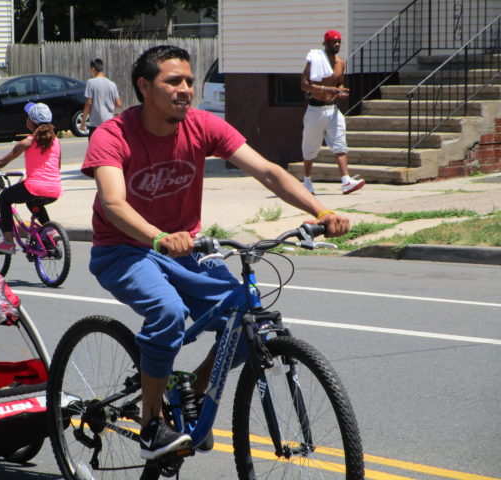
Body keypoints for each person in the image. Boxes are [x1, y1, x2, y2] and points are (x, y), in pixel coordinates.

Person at [81, 45, 350, 460]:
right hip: (125, 250)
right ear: (144, 87)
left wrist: (322, 209)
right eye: (173, 81)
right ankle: (153, 424)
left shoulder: (203, 125)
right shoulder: (113, 134)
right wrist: (157, 237)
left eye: (189, 81)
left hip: (185, 251)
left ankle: (194, 392)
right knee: (168, 313)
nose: (185, 89)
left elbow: (267, 170)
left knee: (246, 321)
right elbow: (114, 203)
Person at [0, 102, 62, 254]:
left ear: (31, 122)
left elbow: (2, 162)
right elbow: (57, 167)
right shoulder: (56, 142)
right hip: (55, 189)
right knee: (33, 203)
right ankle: (50, 232)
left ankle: (8, 242)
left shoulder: (27, 142)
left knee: (5, 197)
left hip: (35, 186)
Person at [300, 30, 365, 195]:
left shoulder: (340, 63)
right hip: (315, 110)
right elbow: (304, 85)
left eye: (338, 42)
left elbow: (340, 83)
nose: (336, 45)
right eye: (333, 42)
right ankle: (307, 181)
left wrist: (341, 91)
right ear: (325, 43)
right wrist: (325, 88)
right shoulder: (314, 60)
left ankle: (346, 180)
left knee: (340, 144)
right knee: (310, 148)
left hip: (333, 110)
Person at [79, 58, 122, 139]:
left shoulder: (91, 82)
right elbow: (118, 103)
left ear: (93, 69)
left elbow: (88, 103)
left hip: (96, 124)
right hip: (109, 124)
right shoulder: (112, 84)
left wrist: (83, 121)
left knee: (95, 150)